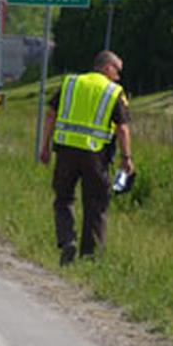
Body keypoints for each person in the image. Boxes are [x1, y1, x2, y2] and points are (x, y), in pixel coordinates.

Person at [38, 50, 133, 266]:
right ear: (107, 68)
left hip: (65, 152)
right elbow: (123, 129)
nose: (118, 76)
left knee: (63, 199)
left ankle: (67, 240)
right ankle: (90, 258)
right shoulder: (113, 91)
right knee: (96, 205)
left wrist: (44, 146)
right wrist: (127, 157)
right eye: (117, 71)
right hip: (95, 156)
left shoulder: (71, 83)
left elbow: (51, 113)